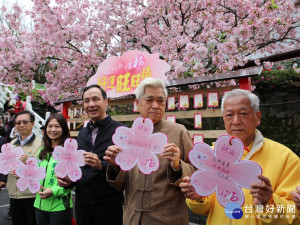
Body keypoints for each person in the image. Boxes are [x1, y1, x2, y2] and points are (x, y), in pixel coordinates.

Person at [180, 89, 300, 225]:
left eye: (243, 114)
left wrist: (267, 203)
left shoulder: (286, 158)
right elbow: (205, 208)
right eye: (229, 115)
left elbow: (294, 215)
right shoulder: (212, 156)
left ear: (258, 117)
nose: (236, 121)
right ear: (224, 118)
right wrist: (198, 197)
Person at [104, 78, 195, 225]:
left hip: (168, 219)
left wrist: (177, 165)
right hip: (133, 218)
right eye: (149, 100)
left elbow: (195, 174)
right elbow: (120, 185)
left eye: (160, 101)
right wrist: (115, 166)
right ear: (138, 103)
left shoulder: (178, 132)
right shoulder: (127, 136)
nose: (155, 106)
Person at [57, 84, 124, 225]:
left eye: (95, 99)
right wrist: (69, 181)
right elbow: (79, 167)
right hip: (83, 202)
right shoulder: (82, 133)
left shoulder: (120, 131)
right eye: (86, 101)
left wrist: (101, 165)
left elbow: (127, 169)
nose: (91, 104)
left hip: (109, 204)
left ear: (106, 102)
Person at [34, 113, 73, 225]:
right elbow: (36, 173)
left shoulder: (68, 151)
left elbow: (73, 180)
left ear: (64, 129)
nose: (53, 130)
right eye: (50, 126)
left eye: (57, 126)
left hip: (60, 207)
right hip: (40, 205)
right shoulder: (42, 150)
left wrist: (53, 191)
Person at [6, 110, 43, 225]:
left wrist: (30, 163)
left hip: (31, 195)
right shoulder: (11, 144)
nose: (21, 125)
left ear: (32, 124)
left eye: (25, 122)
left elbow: (44, 168)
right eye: (18, 123)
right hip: (14, 194)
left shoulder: (41, 144)